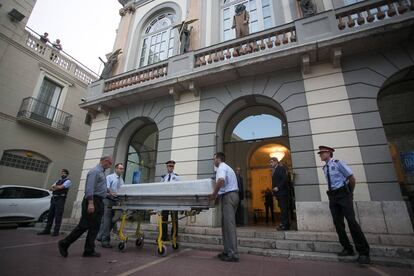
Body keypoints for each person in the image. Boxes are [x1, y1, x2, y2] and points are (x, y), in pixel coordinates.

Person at [317, 146, 370, 265]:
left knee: (351, 221)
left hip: (343, 194)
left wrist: (349, 193)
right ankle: (347, 248)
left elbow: (351, 178)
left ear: (329, 153)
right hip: (333, 195)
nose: (320, 155)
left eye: (322, 153)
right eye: (320, 153)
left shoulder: (338, 163)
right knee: (338, 223)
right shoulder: (324, 167)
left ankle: (363, 252)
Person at [58, 156, 113, 258]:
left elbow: (99, 187)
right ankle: (64, 243)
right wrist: (91, 203)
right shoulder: (95, 171)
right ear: (105, 162)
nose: (110, 166)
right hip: (92, 201)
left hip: (100, 201)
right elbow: (89, 188)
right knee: (84, 225)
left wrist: (109, 193)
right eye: (110, 163)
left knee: (95, 227)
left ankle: (89, 250)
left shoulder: (102, 172)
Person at [211, 152, 239, 262]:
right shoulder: (227, 167)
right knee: (226, 225)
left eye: (214, 159)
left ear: (218, 159)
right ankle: (227, 251)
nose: (213, 161)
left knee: (229, 225)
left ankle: (232, 254)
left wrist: (214, 194)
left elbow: (221, 180)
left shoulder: (221, 167)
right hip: (230, 196)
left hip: (229, 196)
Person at [38, 169, 72, 236]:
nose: (62, 174)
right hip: (54, 198)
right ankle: (47, 230)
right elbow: (50, 188)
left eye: (64, 173)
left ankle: (56, 231)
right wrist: (56, 187)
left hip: (60, 199)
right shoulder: (58, 181)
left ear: (67, 174)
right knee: (50, 215)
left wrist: (56, 187)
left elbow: (61, 187)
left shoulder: (68, 181)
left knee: (58, 215)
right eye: (62, 173)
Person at [98, 163, 125, 248]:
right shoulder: (109, 177)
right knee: (107, 221)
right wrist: (111, 192)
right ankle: (105, 241)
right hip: (108, 200)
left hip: (116, 201)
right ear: (116, 169)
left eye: (123, 169)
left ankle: (100, 235)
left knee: (114, 219)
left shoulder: (121, 179)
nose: (122, 170)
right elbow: (107, 187)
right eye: (120, 168)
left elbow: (122, 189)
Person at [160, 160, 180, 242]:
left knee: (174, 218)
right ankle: (164, 236)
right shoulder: (163, 177)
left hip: (173, 201)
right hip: (164, 201)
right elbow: (159, 188)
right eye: (169, 166)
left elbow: (180, 188)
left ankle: (174, 235)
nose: (171, 167)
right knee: (163, 218)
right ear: (167, 167)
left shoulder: (177, 177)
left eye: (172, 166)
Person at [270, 157, 290, 231]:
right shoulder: (274, 170)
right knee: (282, 209)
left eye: (271, 162)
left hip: (282, 192)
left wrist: (278, 187)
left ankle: (285, 225)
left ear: (276, 162)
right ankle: (283, 224)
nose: (270, 164)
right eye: (270, 162)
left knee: (284, 209)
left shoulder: (280, 168)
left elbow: (284, 179)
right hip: (278, 193)